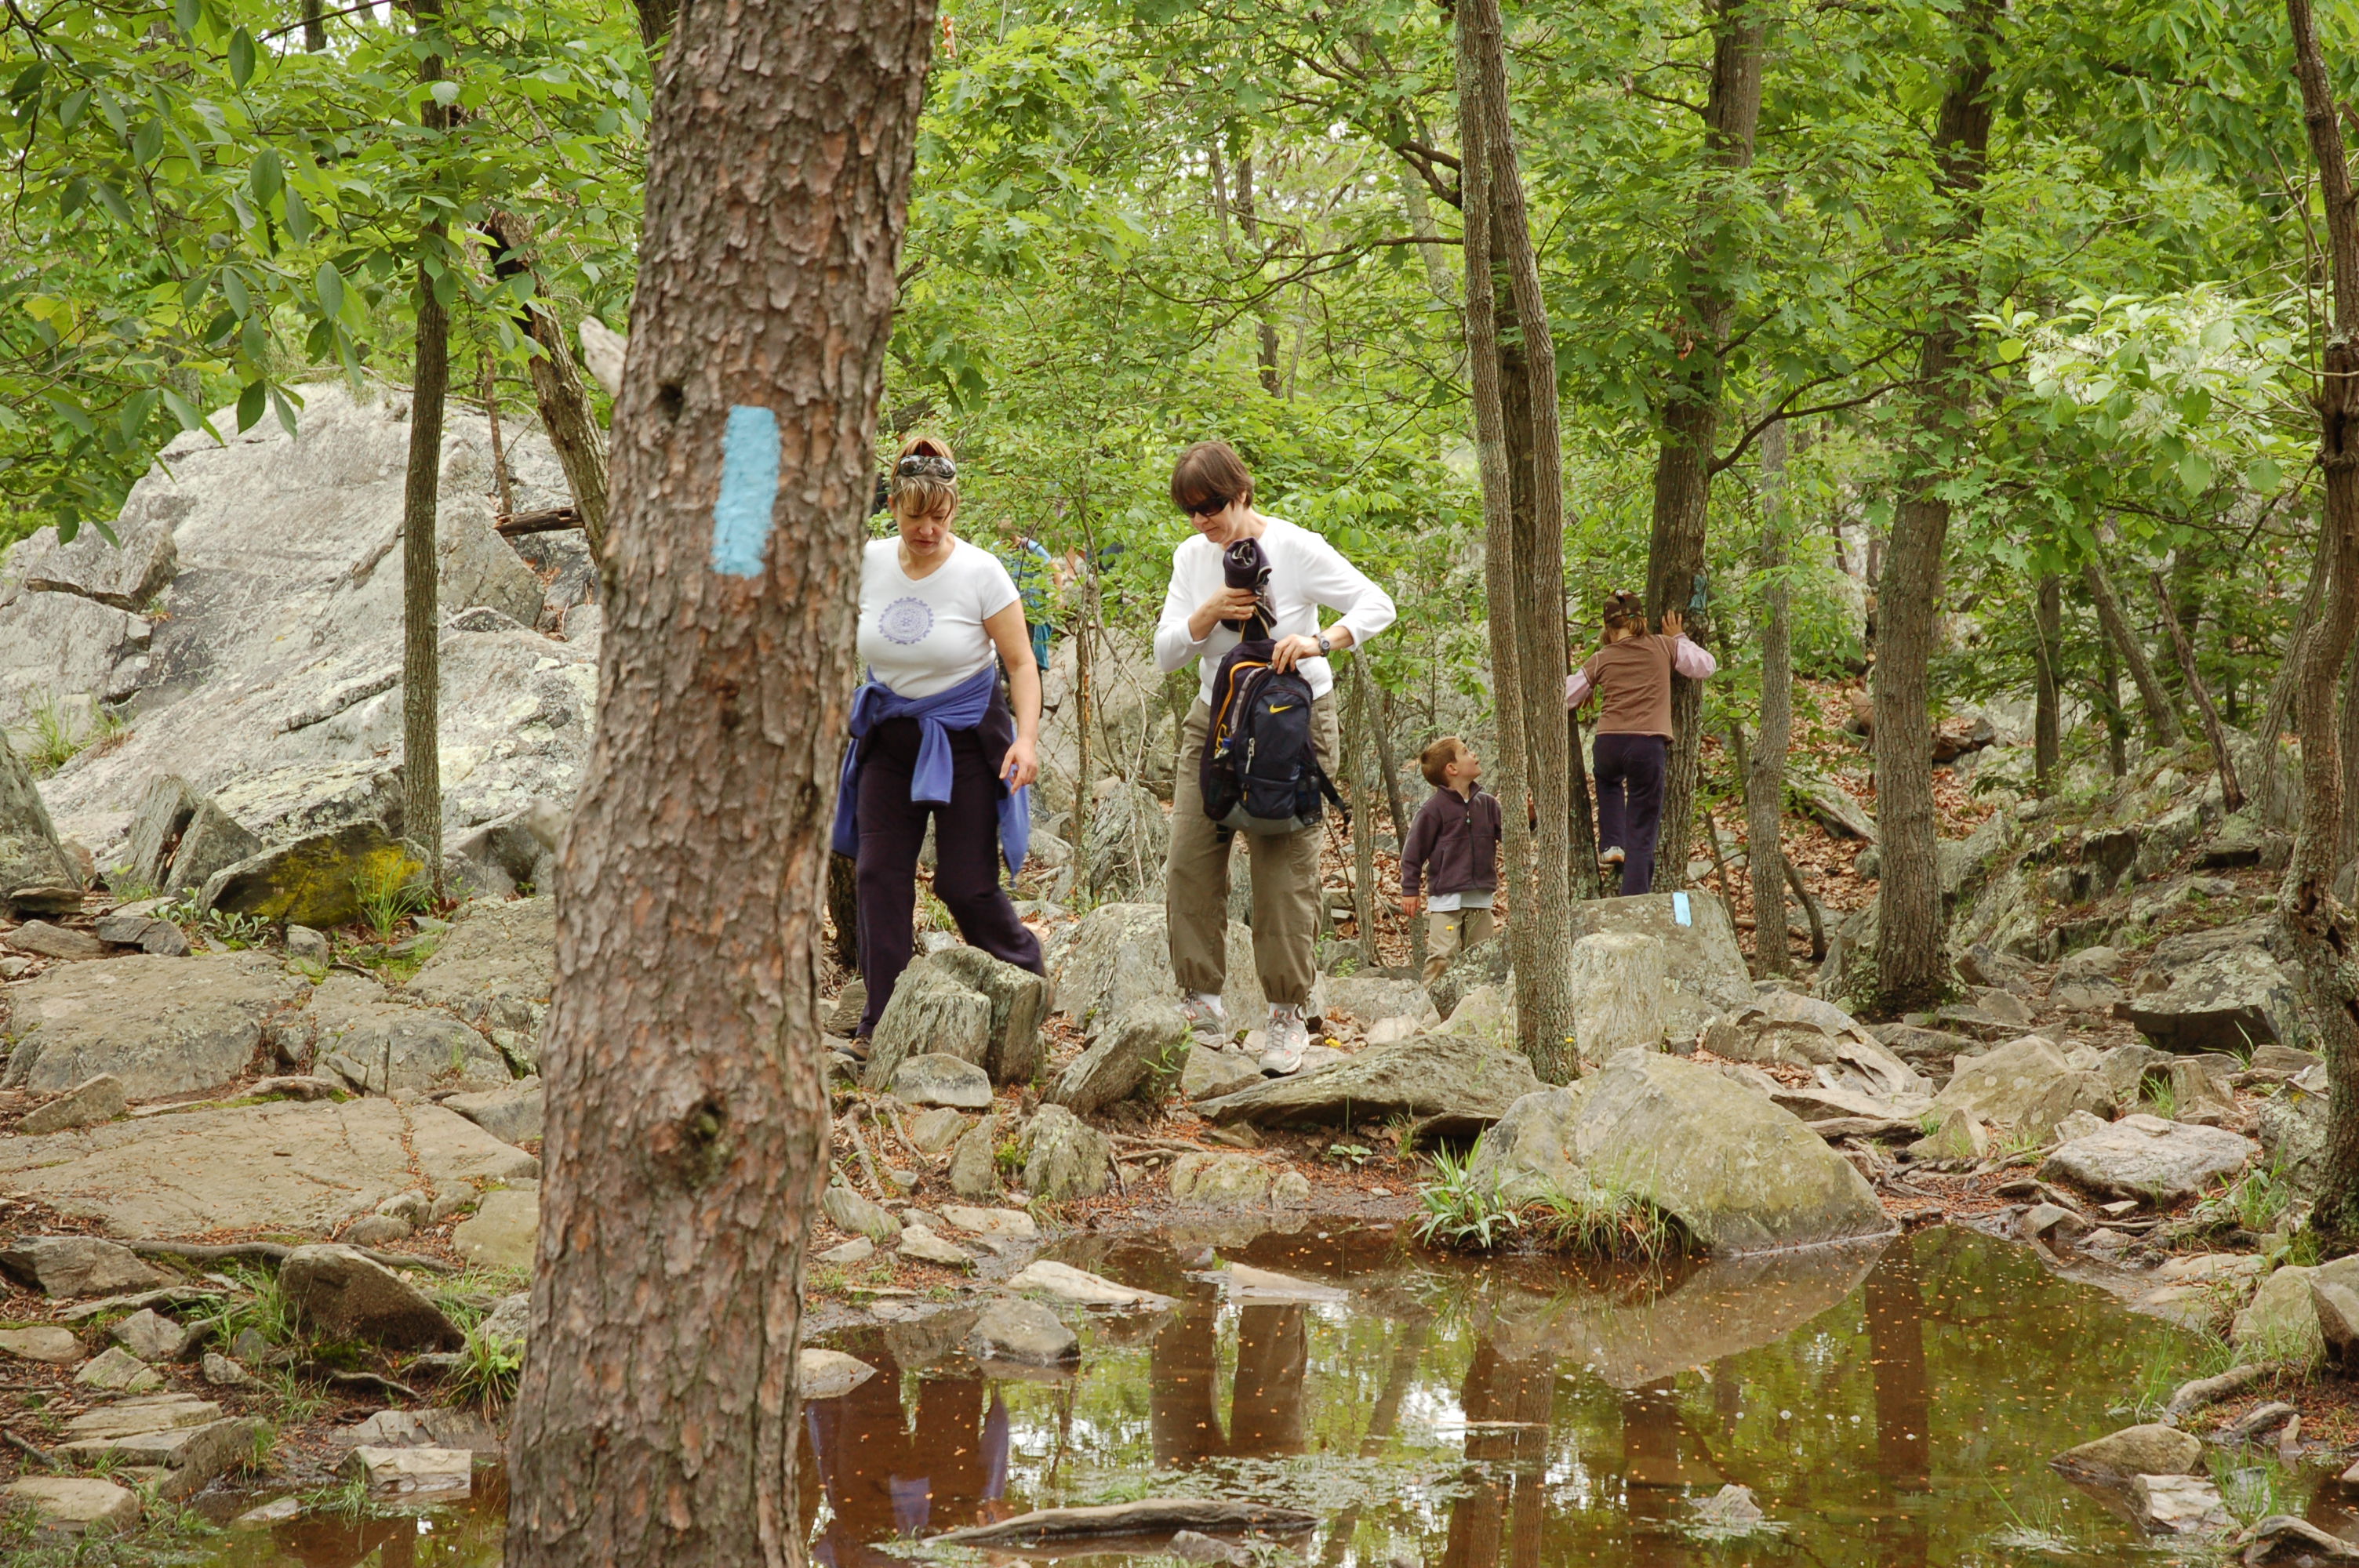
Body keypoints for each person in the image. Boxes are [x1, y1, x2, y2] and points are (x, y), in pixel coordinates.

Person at [1154, 440, 1396, 1075]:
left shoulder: (1295, 547)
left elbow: (1377, 604)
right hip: (1215, 720)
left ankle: (1287, 1016)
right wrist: (1208, 613)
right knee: (1189, 860)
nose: (1201, 521)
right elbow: (1167, 653)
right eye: (1189, 511)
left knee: (1282, 873)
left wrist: (1321, 641)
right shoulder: (1192, 558)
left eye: (1210, 507)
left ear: (1241, 494)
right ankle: (1202, 1004)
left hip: (1293, 723)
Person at [833, 435, 1045, 1041]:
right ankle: (883, 1020)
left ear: (954, 509)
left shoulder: (981, 572)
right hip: (889, 735)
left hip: (966, 738)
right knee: (878, 874)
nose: (927, 529)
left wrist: (1026, 741)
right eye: (915, 515)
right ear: (893, 506)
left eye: (939, 516)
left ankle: (1026, 984)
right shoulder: (867, 562)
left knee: (965, 884)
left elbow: (1021, 663)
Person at [1564, 589, 1717, 896]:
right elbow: (1706, 666)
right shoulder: (1663, 646)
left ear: (1608, 627)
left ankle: (1611, 843)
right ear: (1642, 620)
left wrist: (1589, 687)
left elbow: (1566, 696)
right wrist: (1680, 638)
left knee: (1608, 781)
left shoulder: (1602, 658)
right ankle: (1633, 895)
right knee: (1643, 826)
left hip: (1609, 741)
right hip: (1647, 745)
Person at [1398, 736, 1502, 985]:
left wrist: (1529, 818)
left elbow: (1512, 834)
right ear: (1452, 769)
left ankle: (1478, 1005)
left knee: (1483, 958)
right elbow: (1412, 853)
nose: (1474, 754)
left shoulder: (1487, 804)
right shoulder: (1433, 810)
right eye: (1466, 751)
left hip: (1480, 897)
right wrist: (1409, 889)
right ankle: (1431, 1003)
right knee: (1443, 958)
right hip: (1446, 901)